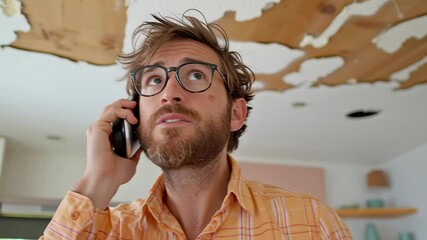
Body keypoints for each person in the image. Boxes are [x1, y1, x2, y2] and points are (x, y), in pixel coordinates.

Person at [40, 12, 352, 240]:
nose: (169, 93)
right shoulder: (109, 232)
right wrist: (97, 183)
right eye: (154, 80)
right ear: (133, 115)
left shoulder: (312, 223)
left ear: (235, 114)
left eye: (196, 75)